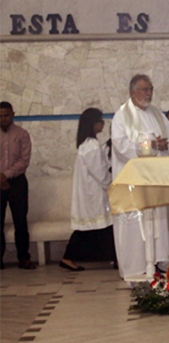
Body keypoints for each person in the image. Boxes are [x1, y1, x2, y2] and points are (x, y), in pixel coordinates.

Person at [111, 74, 169, 278]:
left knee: (159, 221)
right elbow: (120, 146)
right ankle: (135, 267)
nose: (149, 93)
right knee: (135, 223)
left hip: (155, 180)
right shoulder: (121, 116)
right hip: (133, 182)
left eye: (150, 89)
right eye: (144, 90)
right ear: (132, 92)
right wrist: (151, 146)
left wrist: (165, 144)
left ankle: (159, 263)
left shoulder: (157, 114)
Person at [60, 108, 115, 271]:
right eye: (100, 121)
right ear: (93, 123)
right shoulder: (91, 145)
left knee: (102, 227)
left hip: (93, 192)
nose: (103, 124)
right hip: (93, 194)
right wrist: (111, 184)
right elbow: (99, 172)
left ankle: (114, 257)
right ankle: (67, 257)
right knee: (87, 229)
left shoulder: (89, 144)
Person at [0, 101, 35, 270]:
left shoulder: (22, 134)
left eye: (6, 115)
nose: (3, 118)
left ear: (13, 114)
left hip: (18, 182)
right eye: (0, 116)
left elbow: (24, 160)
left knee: (20, 221)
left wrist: (5, 176)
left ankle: (24, 258)